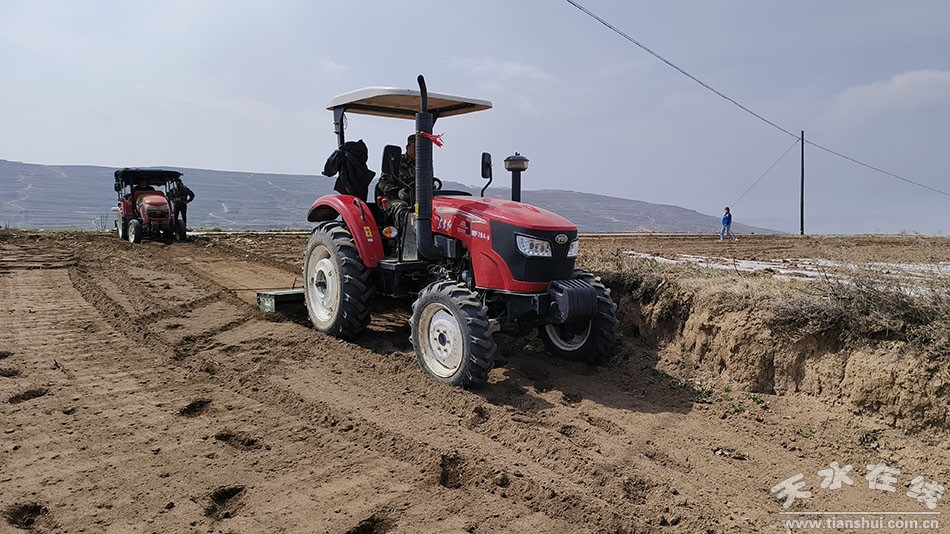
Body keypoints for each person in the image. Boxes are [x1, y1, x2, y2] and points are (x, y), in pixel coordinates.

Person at [376, 134, 416, 222]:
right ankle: (400, 230)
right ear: (407, 147)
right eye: (415, 148)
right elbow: (383, 183)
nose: (419, 151)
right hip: (393, 199)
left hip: (417, 199)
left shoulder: (424, 167)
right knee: (402, 207)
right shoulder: (396, 162)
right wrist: (398, 192)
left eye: (422, 149)